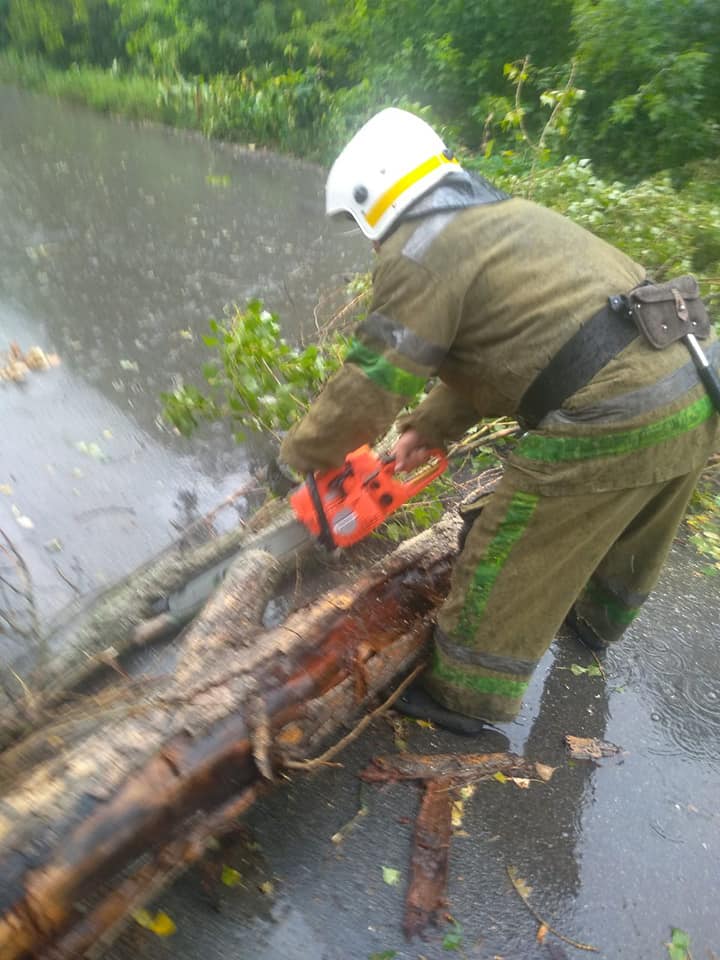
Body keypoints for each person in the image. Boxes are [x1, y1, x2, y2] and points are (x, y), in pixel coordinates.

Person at [279, 108, 720, 735]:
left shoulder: (421, 249)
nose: (369, 240)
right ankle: (594, 620)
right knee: (635, 522)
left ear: (373, 199)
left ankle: (465, 693)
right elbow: (523, 351)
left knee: (514, 541)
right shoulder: (503, 218)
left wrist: (301, 457)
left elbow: (374, 380)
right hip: (694, 381)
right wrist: (429, 427)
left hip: (617, 406)